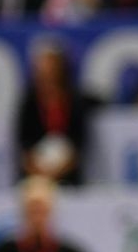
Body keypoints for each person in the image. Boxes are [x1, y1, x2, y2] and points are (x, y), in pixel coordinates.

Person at [16, 44, 95, 186]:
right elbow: (23, 143)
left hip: (68, 176)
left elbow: (80, 142)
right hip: (35, 176)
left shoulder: (74, 100)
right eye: (41, 64)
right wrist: (37, 170)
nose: (45, 69)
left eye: (50, 64)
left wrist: (61, 170)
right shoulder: (29, 101)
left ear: (61, 66)